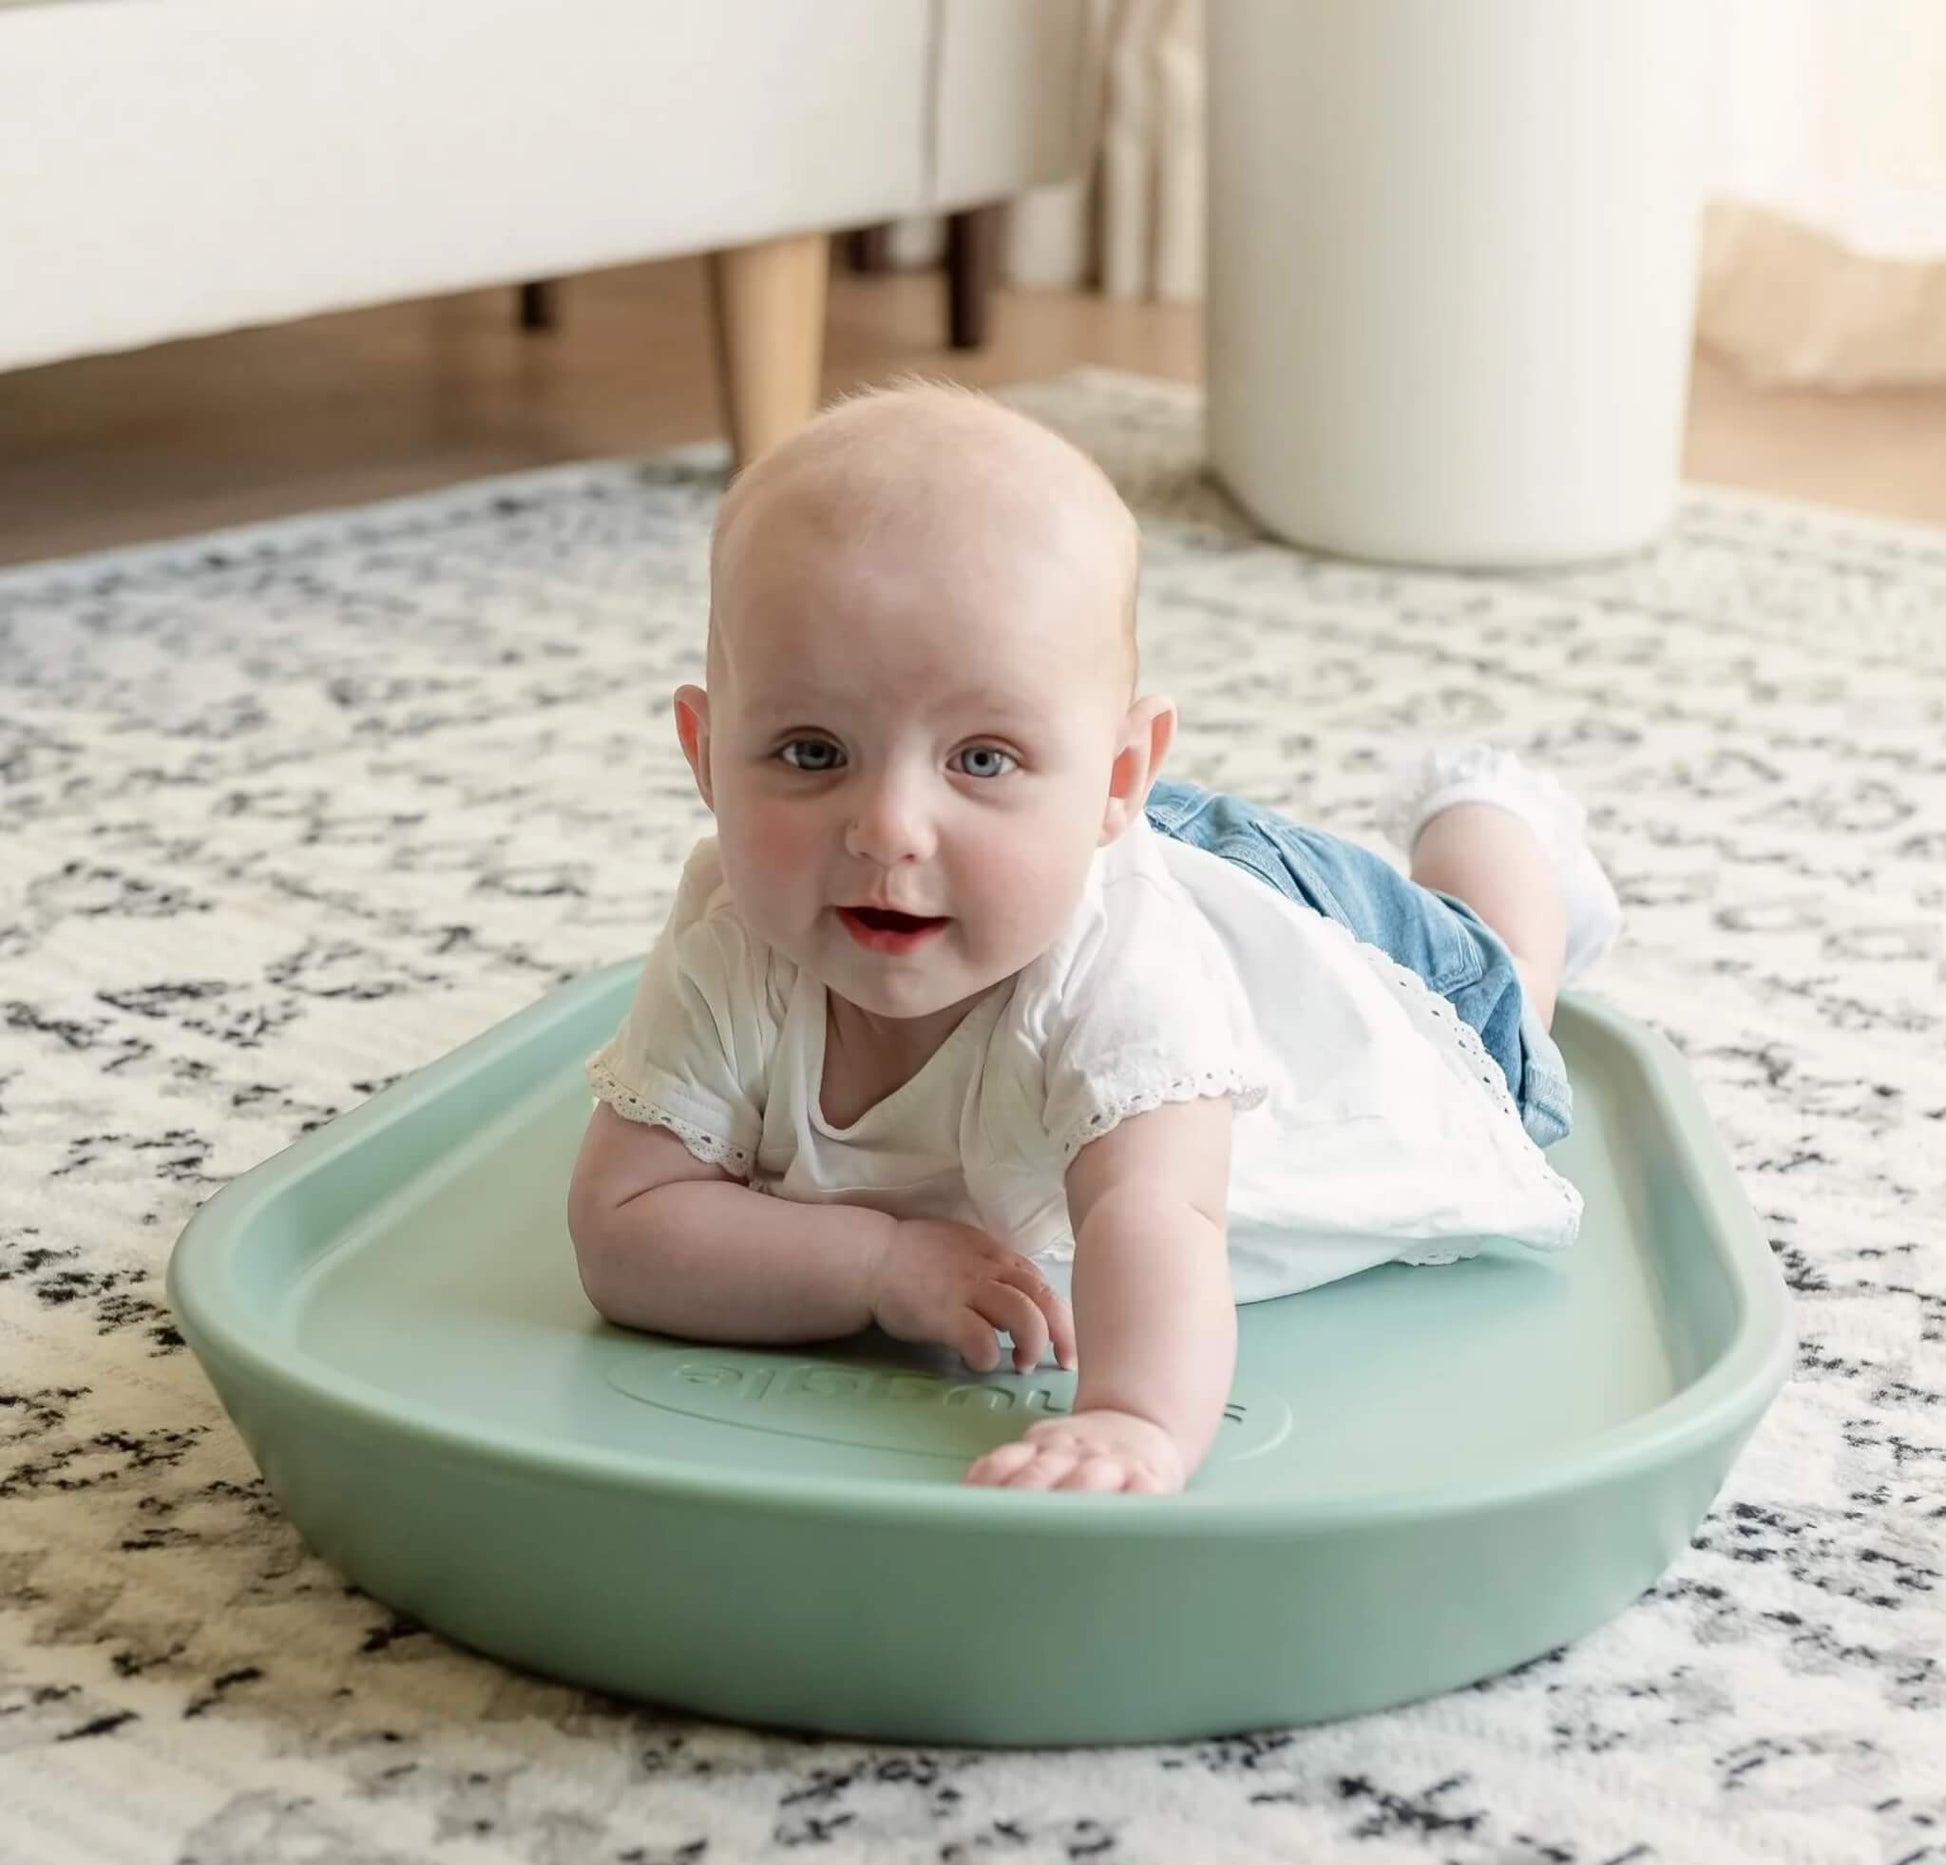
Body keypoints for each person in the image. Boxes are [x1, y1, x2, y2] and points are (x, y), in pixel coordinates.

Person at [566, 381, 1621, 1494]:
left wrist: (1131, 1420)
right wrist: (877, 1262)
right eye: (812, 751)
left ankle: (1499, 824)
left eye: (977, 755)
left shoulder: (1122, 976)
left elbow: (1153, 1214)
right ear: (704, 750)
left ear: (1120, 775)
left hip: (1292, 941)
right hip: (1043, 840)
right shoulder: (739, 928)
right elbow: (624, 1226)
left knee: (1501, 1015)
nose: (885, 830)